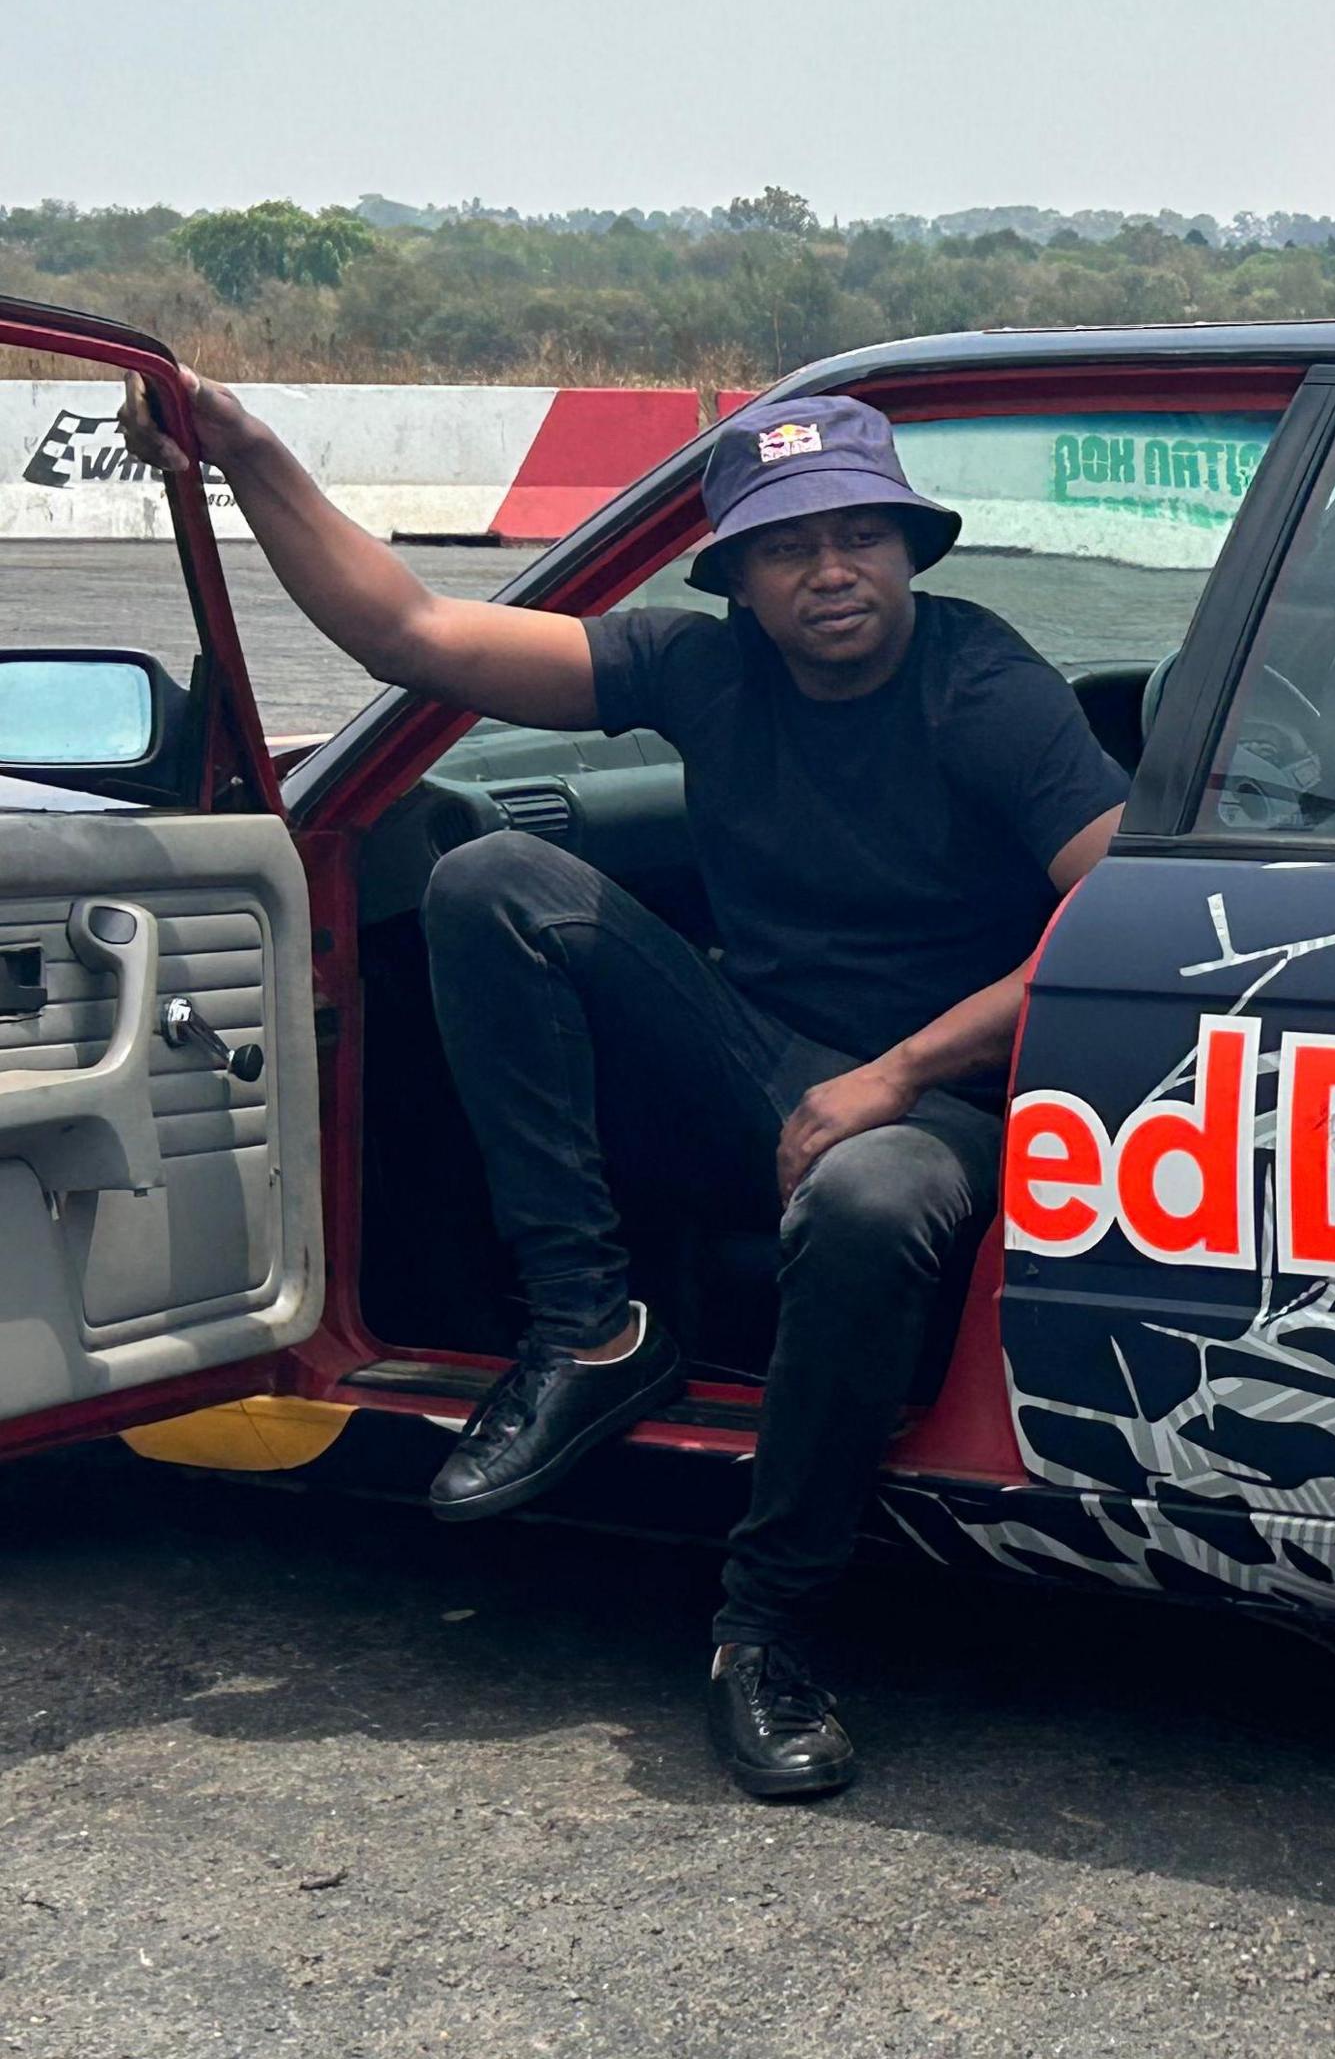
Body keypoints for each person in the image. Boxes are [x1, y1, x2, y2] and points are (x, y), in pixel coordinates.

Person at [124, 381, 1126, 1799]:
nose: (830, 571)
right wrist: (247, 454)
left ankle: (764, 1628)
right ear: (739, 577)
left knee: (865, 1193)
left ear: (910, 547)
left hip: (948, 1100)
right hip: (760, 1063)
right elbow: (412, 634)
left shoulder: (985, 684)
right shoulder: (698, 672)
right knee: (486, 880)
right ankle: (590, 1326)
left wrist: (896, 1075)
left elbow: (1113, 919)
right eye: (789, 547)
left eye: (860, 536)